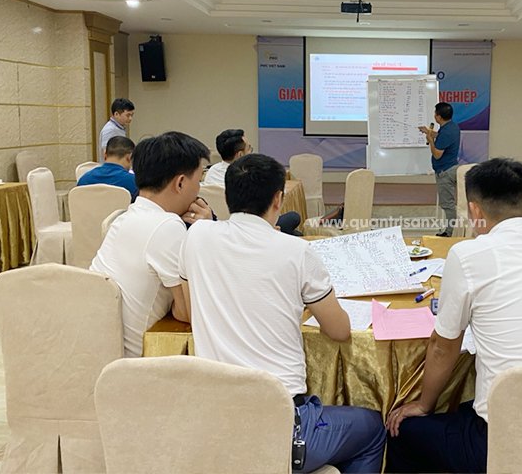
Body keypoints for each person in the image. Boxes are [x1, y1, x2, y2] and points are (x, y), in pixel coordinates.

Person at [385, 158, 522, 473]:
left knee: (402, 431)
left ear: (474, 211)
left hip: (508, 439)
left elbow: (443, 347)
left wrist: (423, 404)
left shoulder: (469, 254)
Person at [181, 153, 386, 473]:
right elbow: (339, 330)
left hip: (216, 424)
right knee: (372, 429)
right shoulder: (297, 251)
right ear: (278, 199)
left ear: (227, 196)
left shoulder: (197, 236)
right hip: (281, 427)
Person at [91, 131, 212, 357]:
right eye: (198, 181)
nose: (199, 190)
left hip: (101, 350)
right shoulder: (167, 226)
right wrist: (203, 233)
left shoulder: (125, 217)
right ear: (181, 183)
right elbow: (187, 313)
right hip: (140, 360)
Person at [203, 128, 301, 235]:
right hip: (253, 226)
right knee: (293, 218)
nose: (251, 151)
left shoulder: (212, 171)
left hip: (223, 225)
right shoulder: (250, 175)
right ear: (240, 155)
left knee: (294, 232)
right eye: (249, 148)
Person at [419, 102, 460, 237]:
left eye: (435, 113)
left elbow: (437, 154)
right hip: (451, 167)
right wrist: (430, 132)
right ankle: (450, 230)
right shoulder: (452, 127)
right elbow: (441, 137)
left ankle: (449, 233)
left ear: (439, 117)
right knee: (449, 203)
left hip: (445, 172)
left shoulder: (447, 131)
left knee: (448, 204)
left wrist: (430, 140)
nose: (434, 115)